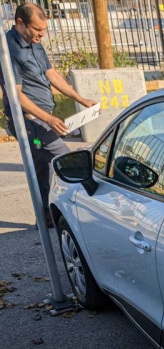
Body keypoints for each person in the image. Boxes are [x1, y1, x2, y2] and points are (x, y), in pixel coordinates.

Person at [0, 3, 97, 227]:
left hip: (44, 119)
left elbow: (51, 74)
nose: (41, 34)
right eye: (36, 29)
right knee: (66, 160)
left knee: (44, 169)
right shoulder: (8, 50)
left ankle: (45, 219)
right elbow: (17, 96)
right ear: (20, 23)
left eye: (44, 30)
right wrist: (48, 118)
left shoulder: (35, 43)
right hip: (30, 122)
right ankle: (78, 217)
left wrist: (80, 99)